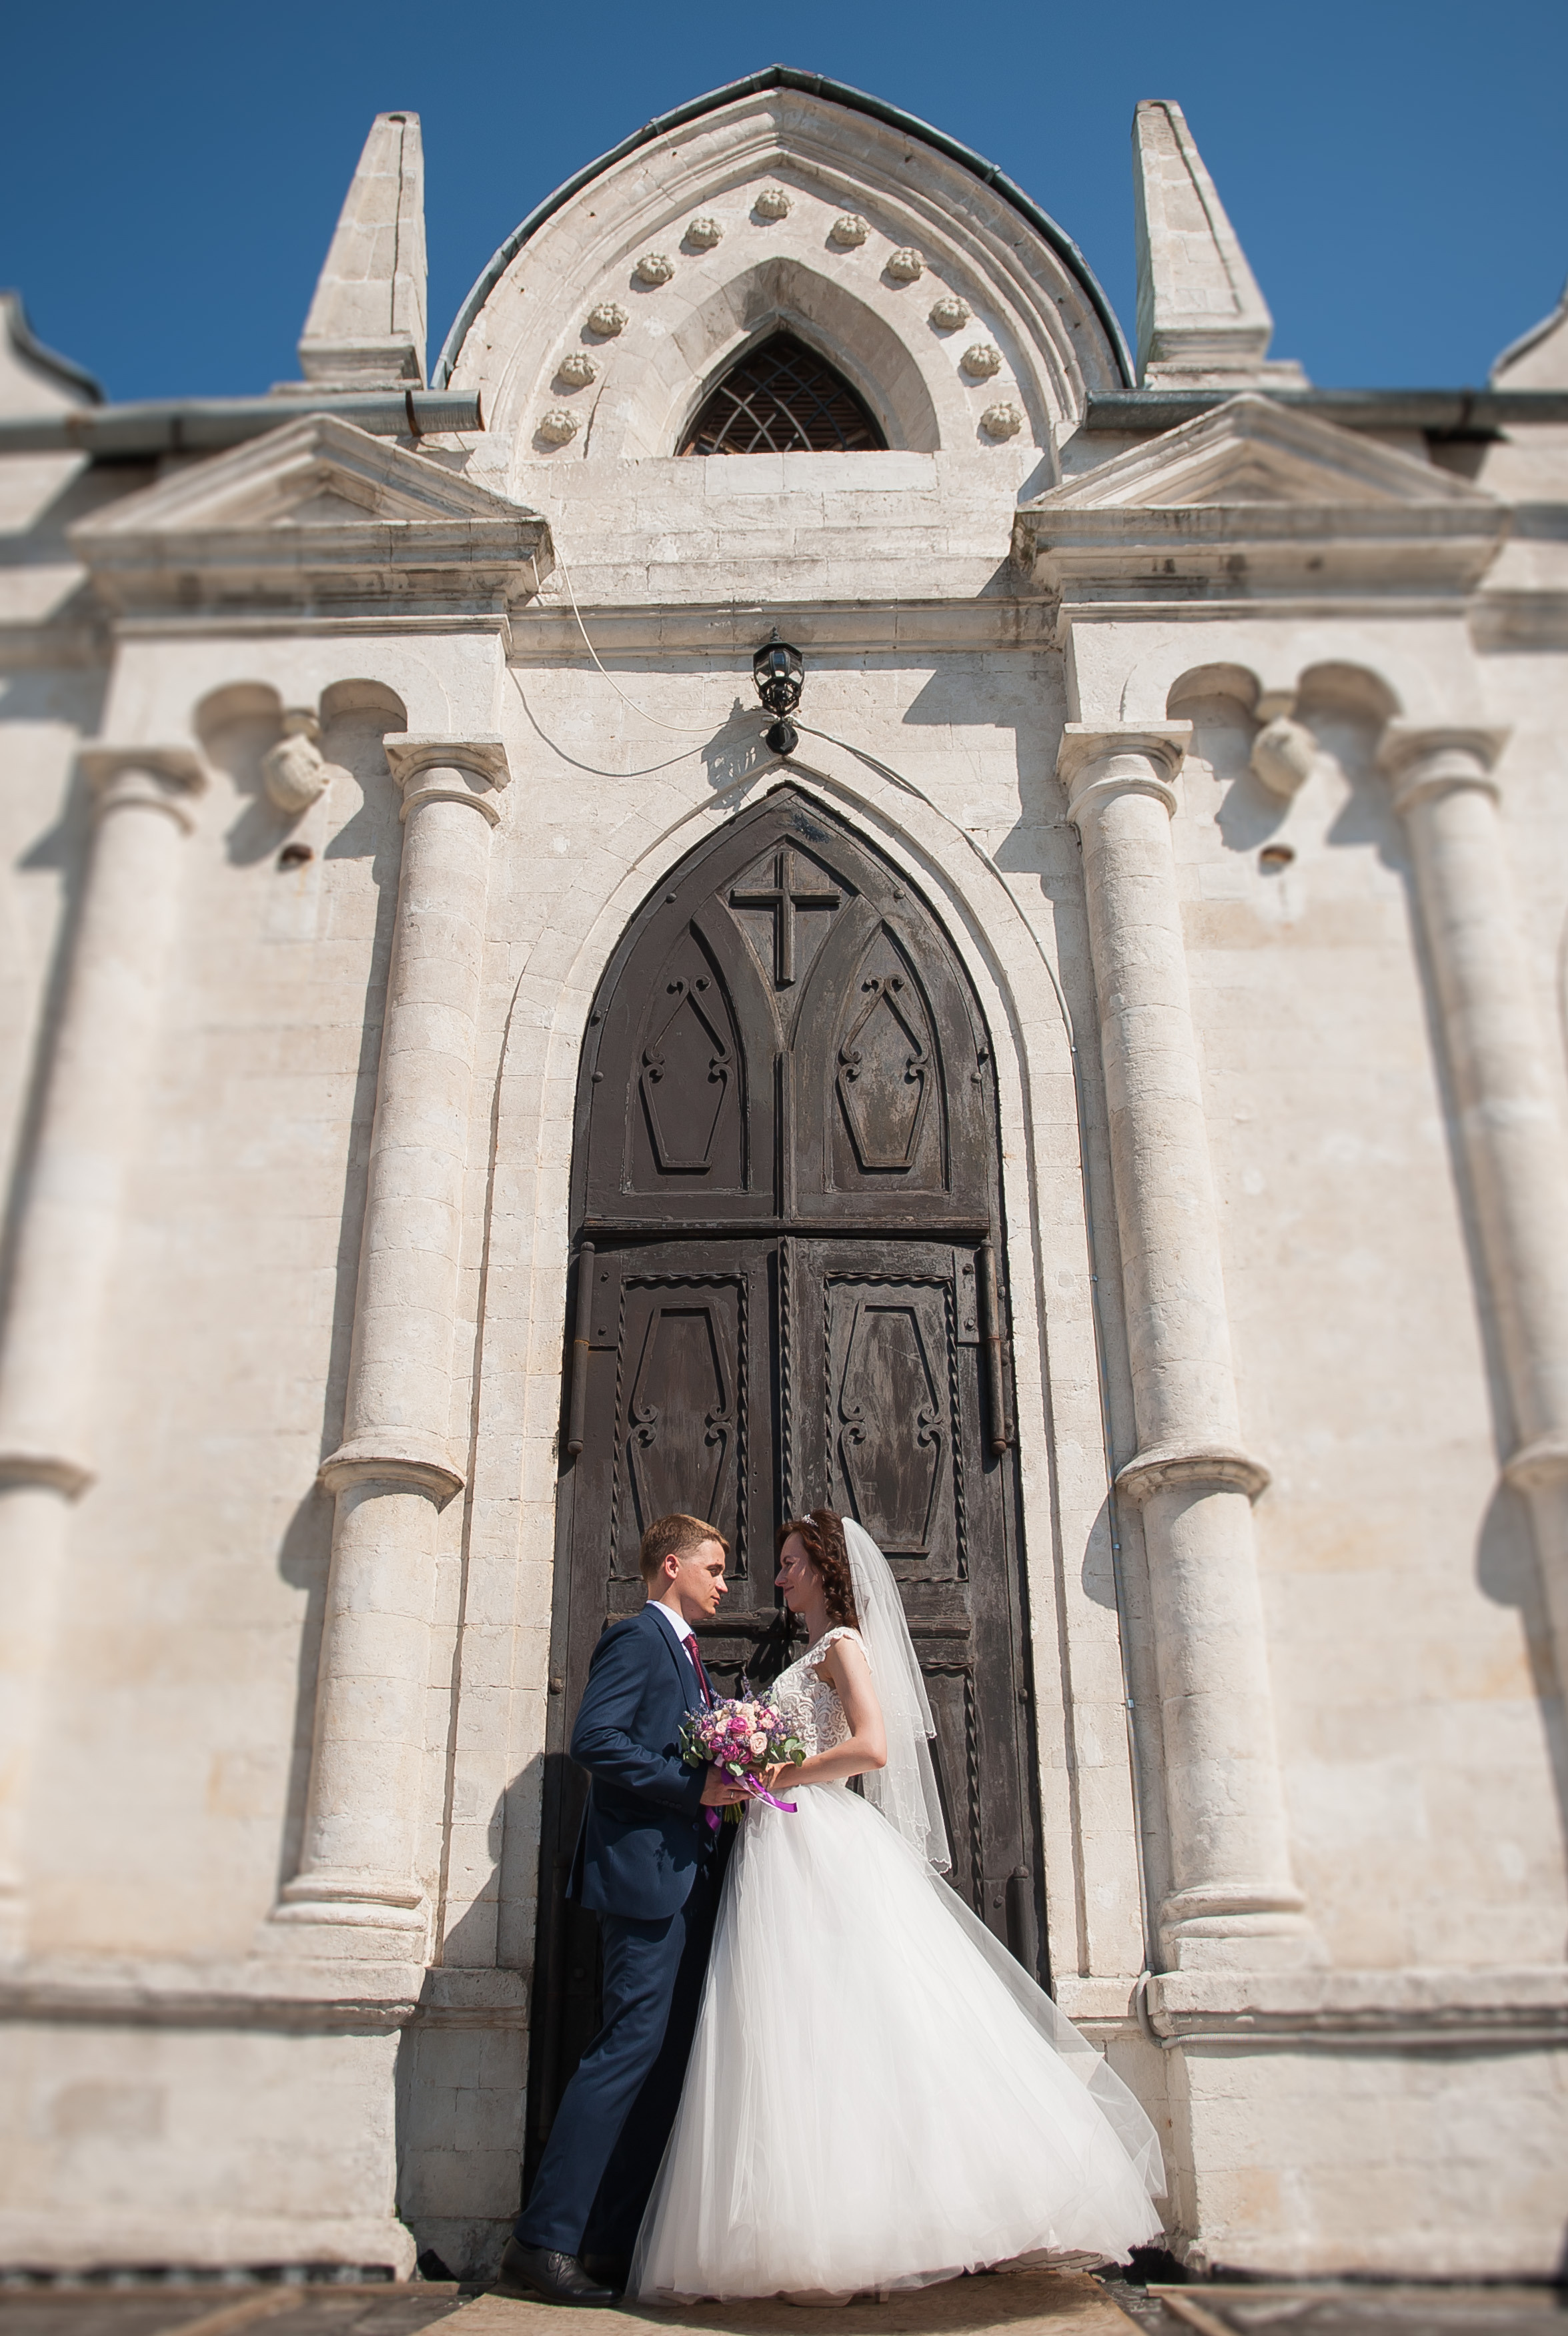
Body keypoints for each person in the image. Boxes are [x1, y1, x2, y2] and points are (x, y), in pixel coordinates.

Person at [630, 1508, 1168, 2303]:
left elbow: (871, 1746)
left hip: (816, 1836)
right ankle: (814, 2230)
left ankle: (871, 2231)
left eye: (789, 1562)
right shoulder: (811, 1652)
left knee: (843, 2018)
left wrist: (775, 1773)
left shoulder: (842, 1646)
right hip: (781, 1846)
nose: (776, 1577)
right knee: (797, 2026)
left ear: (824, 1569)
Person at [496, 1512, 748, 2306]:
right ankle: (543, 2240)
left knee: (664, 2057)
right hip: (642, 1882)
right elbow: (596, 1739)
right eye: (713, 1567)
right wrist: (694, 1787)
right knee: (624, 2050)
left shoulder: (689, 1655)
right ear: (671, 1565)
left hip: (685, 1878)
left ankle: (609, 2240)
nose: (724, 1583)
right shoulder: (636, 1639)